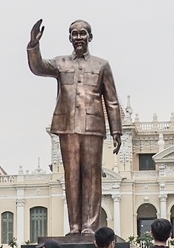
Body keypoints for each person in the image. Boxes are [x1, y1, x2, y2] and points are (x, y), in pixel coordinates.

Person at [27, 19, 122, 235]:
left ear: (90, 37)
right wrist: (33, 45)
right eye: (75, 34)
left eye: (83, 33)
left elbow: (112, 100)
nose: (79, 37)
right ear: (70, 38)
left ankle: (90, 225)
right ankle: (74, 226)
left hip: (93, 126)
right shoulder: (61, 63)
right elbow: (38, 67)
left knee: (92, 176)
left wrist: (117, 130)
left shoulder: (102, 65)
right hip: (67, 125)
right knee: (72, 177)